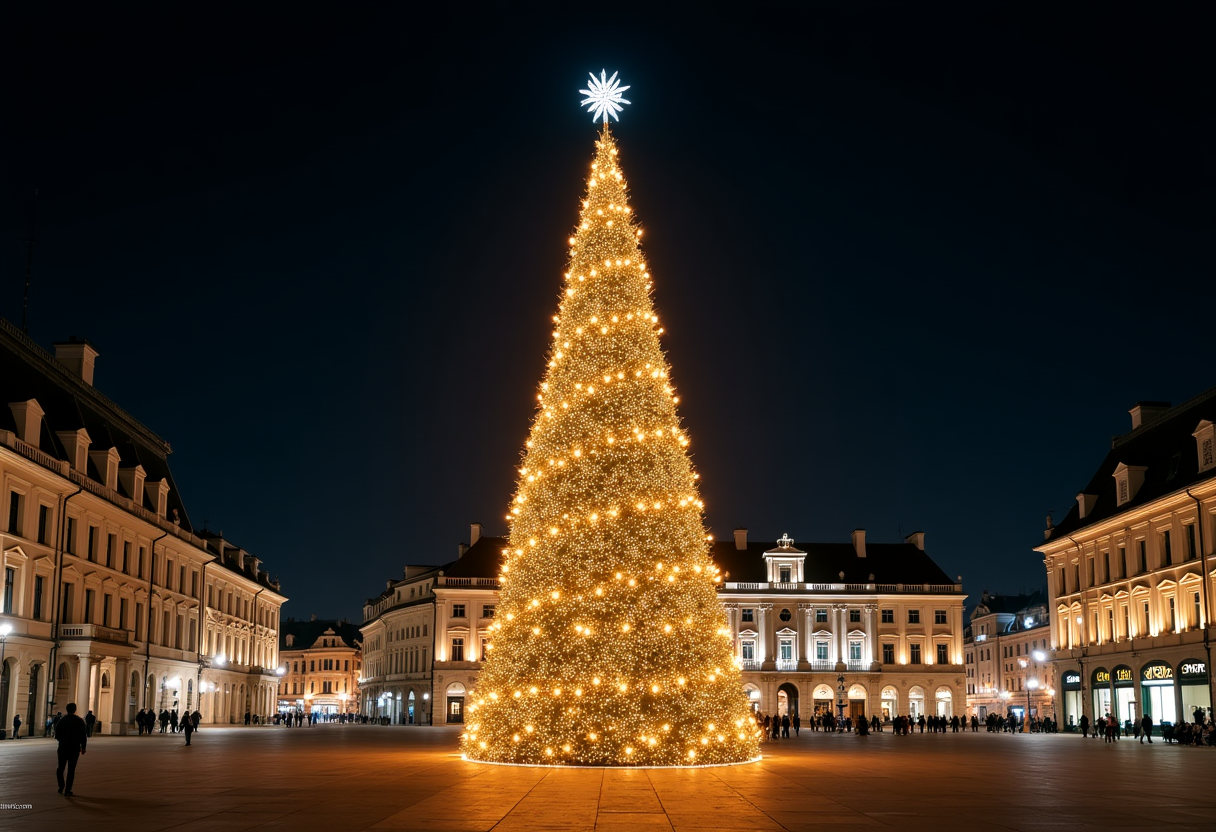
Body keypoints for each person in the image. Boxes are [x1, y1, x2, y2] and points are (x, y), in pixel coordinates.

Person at [55, 703, 88, 797]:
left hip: (63, 747)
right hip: (74, 748)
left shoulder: (62, 720)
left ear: (66, 709)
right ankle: (68, 790)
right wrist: (83, 747)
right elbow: (83, 735)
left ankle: (61, 785)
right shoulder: (79, 721)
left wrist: (63, 740)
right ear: (75, 710)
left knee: (60, 768)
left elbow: (57, 735)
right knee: (71, 769)